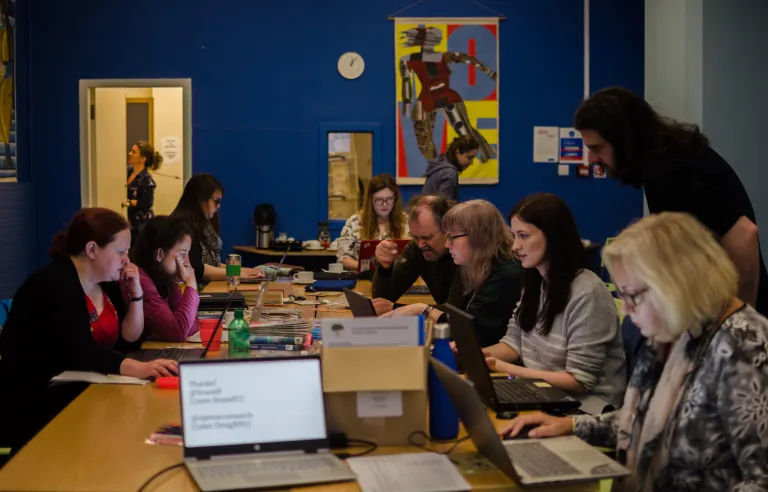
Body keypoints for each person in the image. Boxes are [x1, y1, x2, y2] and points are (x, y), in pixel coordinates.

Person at [499, 212, 768, 491]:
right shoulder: (675, 328)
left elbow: (760, 481)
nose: (625, 310)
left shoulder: (745, 346)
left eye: (632, 295)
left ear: (676, 285)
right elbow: (641, 420)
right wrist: (570, 425)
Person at [575, 86, 768, 316]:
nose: (592, 159)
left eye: (597, 148)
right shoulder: (671, 159)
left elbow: (743, 235)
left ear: (623, 139)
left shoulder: (669, 172)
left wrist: (742, 321)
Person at [0, 208, 178, 451]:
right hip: (36, 404)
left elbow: (129, 339)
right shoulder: (56, 283)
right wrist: (140, 368)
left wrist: (136, 295)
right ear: (92, 249)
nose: (127, 259)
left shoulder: (105, 282)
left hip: (81, 390)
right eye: (120, 252)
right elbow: (81, 351)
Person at [483, 193, 626, 414]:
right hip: (544, 394)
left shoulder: (587, 292)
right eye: (514, 236)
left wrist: (503, 368)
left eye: (523, 236)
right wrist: (476, 356)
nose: (515, 246)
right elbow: (514, 343)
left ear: (553, 237)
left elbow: (579, 380)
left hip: (586, 410)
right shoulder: (536, 282)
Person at [383, 199, 523, 347]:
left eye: (452, 237)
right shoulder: (483, 268)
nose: (447, 244)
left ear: (477, 236)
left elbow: (475, 334)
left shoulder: (506, 276)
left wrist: (423, 310)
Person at [372, 194, 469, 315]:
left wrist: (397, 308)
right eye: (415, 237)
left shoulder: (465, 253)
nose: (420, 245)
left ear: (448, 230)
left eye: (427, 237)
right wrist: (385, 268)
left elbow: (455, 314)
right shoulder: (416, 249)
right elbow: (381, 302)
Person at [171, 173, 263, 283]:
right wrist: (238, 274)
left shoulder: (204, 223)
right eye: (216, 201)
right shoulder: (181, 225)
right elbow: (196, 268)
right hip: (188, 292)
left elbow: (214, 265)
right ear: (201, 199)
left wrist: (247, 271)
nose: (219, 206)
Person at [128, 215, 200, 342]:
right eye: (182, 254)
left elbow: (192, 326)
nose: (187, 262)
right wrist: (191, 286)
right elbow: (177, 332)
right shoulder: (139, 280)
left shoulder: (164, 276)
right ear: (160, 254)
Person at [336, 173, 409, 272]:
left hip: (397, 279)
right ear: (370, 199)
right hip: (363, 279)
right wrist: (368, 267)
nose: (384, 204)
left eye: (389, 199)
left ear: (395, 199)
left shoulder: (407, 222)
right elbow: (343, 258)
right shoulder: (354, 222)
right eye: (379, 200)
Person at [124, 141, 162, 245]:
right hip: (127, 220)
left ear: (142, 159)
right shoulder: (126, 171)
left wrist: (129, 202)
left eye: (134, 152)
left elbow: (146, 204)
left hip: (140, 224)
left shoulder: (146, 180)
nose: (130, 153)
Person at [421, 135, 479, 201]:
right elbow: (442, 206)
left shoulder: (439, 166)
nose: (471, 162)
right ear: (457, 152)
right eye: (469, 157)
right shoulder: (450, 173)